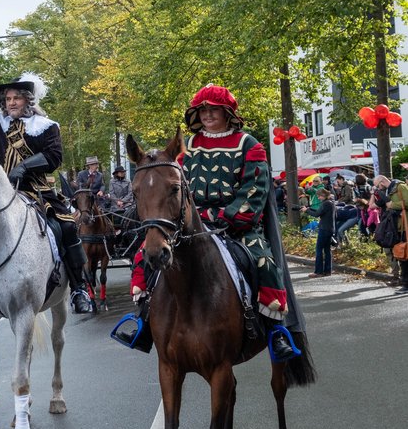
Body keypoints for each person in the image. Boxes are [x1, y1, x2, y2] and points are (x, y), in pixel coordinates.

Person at [114, 84, 297, 362]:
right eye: (203, 110)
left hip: (236, 224)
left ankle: (276, 332)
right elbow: (177, 188)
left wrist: (229, 216)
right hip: (192, 222)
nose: (208, 115)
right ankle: (144, 322)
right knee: (144, 257)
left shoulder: (249, 144)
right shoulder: (189, 148)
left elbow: (255, 188)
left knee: (264, 261)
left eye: (214, 110)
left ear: (227, 113)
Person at [0, 55, 93, 314]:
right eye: (7, 99)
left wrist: (23, 167)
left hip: (37, 190)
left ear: (28, 100)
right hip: (2, 192)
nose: (11, 103)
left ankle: (80, 288)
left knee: (66, 227)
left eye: (16, 98)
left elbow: (54, 156)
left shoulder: (47, 127)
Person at [373, 175, 408, 293]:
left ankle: (406, 285)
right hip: (397, 227)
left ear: (382, 182)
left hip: (405, 227)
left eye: (378, 185)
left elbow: (407, 202)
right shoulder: (390, 190)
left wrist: (392, 205)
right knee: (402, 255)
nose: (378, 188)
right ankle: (405, 283)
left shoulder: (400, 187)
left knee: (405, 256)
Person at [301, 189, 335, 277]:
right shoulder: (331, 202)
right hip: (330, 228)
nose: (318, 198)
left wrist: (307, 210)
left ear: (323, 195)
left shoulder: (326, 203)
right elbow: (320, 212)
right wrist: (309, 209)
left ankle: (318, 271)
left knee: (319, 249)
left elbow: (316, 214)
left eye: (319, 196)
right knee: (327, 250)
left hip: (324, 228)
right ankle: (328, 270)